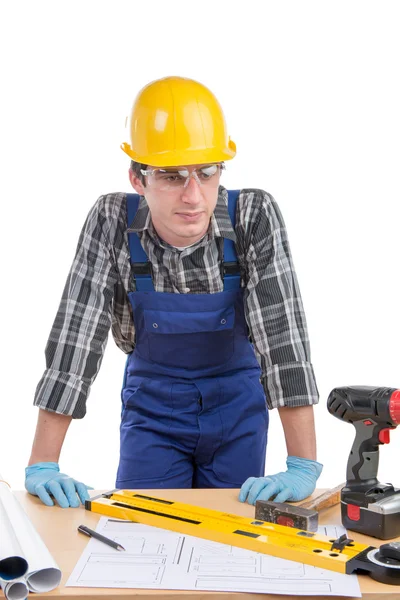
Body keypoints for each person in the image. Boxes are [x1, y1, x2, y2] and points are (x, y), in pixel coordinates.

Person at [25, 76, 322, 509]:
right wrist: (43, 462)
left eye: (207, 173)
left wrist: (302, 463)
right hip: (152, 411)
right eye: (171, 176)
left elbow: (284, 342)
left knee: (231, 541)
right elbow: (77, 337)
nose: (194, 196)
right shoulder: (112, 222)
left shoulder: (252, 216)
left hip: (237, 410)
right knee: (143, 536)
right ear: (137, 178)